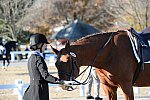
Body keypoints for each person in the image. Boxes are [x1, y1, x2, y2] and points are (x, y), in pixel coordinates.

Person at [23, 33, 64, 100]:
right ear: (39, 45)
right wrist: (60, 81)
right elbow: (45, 76)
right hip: (40, 92)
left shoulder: (31, 57)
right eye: (45, 45)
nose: (45, 47)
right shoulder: (38, 58)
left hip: (31, 91)